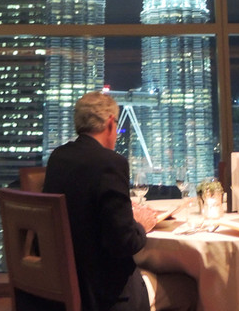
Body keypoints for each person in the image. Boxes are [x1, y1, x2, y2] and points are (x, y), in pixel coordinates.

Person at [43, 90, 197, 311]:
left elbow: (86, 210)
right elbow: (125, 243)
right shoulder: (111, 163)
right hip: (106, 296)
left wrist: (123, 213)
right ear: (110, 123)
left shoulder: (58, 157)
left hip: (63, 287)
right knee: (189, 288)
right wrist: (141, 224)